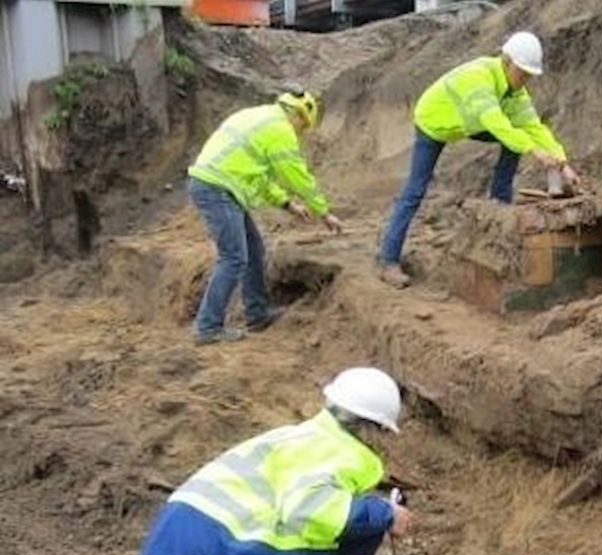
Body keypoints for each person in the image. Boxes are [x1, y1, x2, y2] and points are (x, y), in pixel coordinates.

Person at [137, 367, 413, 555]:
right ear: (375, 428)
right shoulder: (343, 453)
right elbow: (308, 512)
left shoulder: (294, 436)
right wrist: (385, 513)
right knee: (365, 524)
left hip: (171, 550)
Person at [377, 31, 579, 288]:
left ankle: (498, 207)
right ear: (507, 62)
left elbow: (534, 128)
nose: (525, 80)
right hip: (433, 123)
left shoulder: (517, 93)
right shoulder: (480, 77)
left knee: (518, 138)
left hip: (467, 124)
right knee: (414, 192)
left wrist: (563, 164)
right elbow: (495, 123)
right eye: (522, 73)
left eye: (530, 76)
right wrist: (534, 151)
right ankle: (388, 261)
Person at [188, 88, 344, 344]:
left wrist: (286, 203)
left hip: (218, 185)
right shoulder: (280, 129)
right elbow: (297, 177)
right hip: (218, 189)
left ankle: (257, 314)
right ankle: (207, 327)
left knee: (253, 249)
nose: (300, 133)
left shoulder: (257, 117)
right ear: (298, 115)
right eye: (302, 127)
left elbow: (257, 175)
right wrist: (323, 212)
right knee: (233, 258)